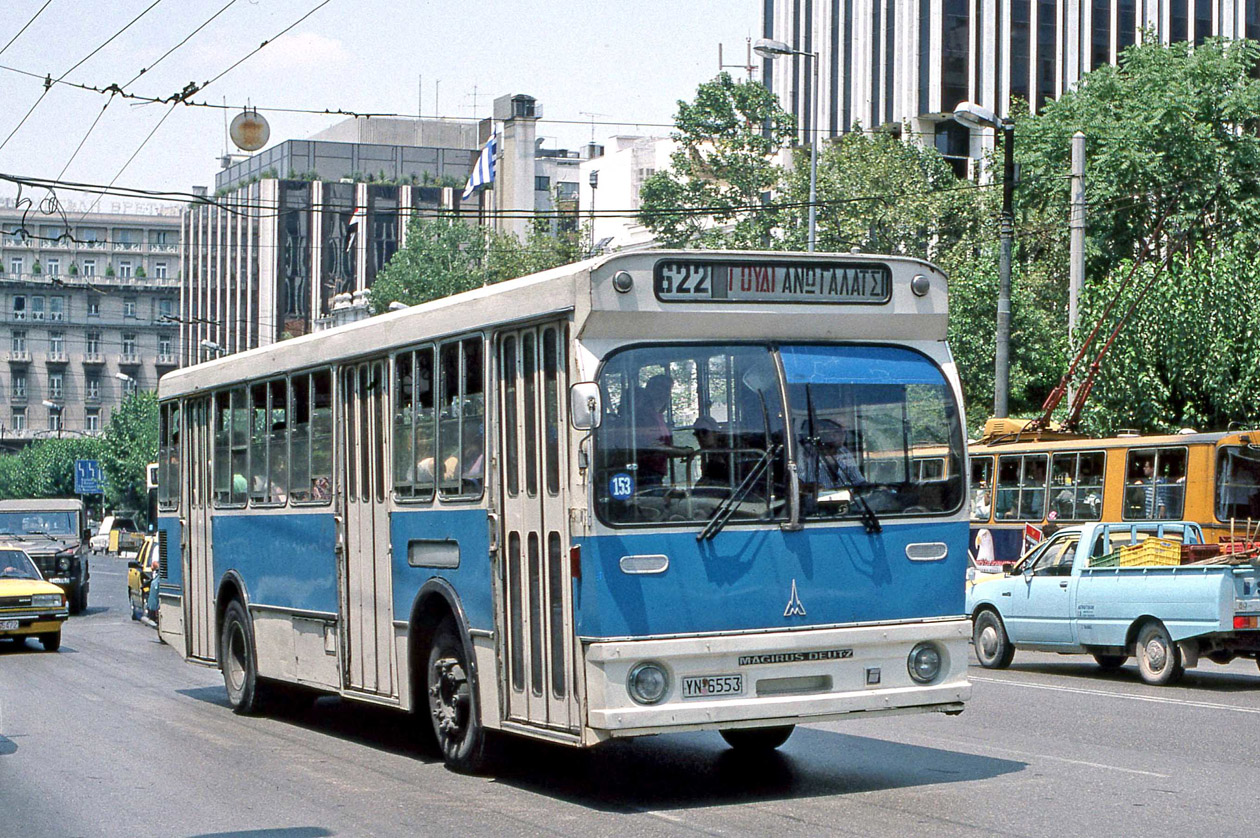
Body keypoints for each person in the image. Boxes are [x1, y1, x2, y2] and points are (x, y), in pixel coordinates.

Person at [634, 374, 676, 485]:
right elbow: (651, 445)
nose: (666, 393)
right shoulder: (643, 415)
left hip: (657, 472)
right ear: (650, 390)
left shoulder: (658, 416)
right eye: (661, 388)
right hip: (646, 473)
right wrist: (680, 451)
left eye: (668, 390)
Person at [691, 415, 730, 485]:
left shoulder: (728, 452)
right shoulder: (709, 454)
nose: (701, 437)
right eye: (697, 434)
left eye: (704, 432)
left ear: (715, 432)